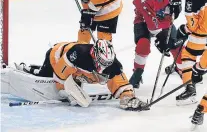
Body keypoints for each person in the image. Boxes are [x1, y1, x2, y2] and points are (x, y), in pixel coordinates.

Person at [19, 40, 148, 110]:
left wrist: (127, 96)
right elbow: (60, 73)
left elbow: (120, 82)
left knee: (78, 81)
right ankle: (30, 69)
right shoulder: (78, 54)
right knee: (45, 78)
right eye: (102, 62)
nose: (104, 66)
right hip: (57, 56)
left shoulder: (112, 64)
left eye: (107, 63)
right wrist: (63, 90)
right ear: (94, 54)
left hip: (76, 71)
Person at [129, 0, 185, 93]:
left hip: (164, 20)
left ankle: (184, 70)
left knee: (175, 45)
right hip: (142, 21)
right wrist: (160, 40)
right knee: (143, 45)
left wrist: (177, 2)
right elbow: (153, 27)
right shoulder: (142, 0)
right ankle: (137, 73)